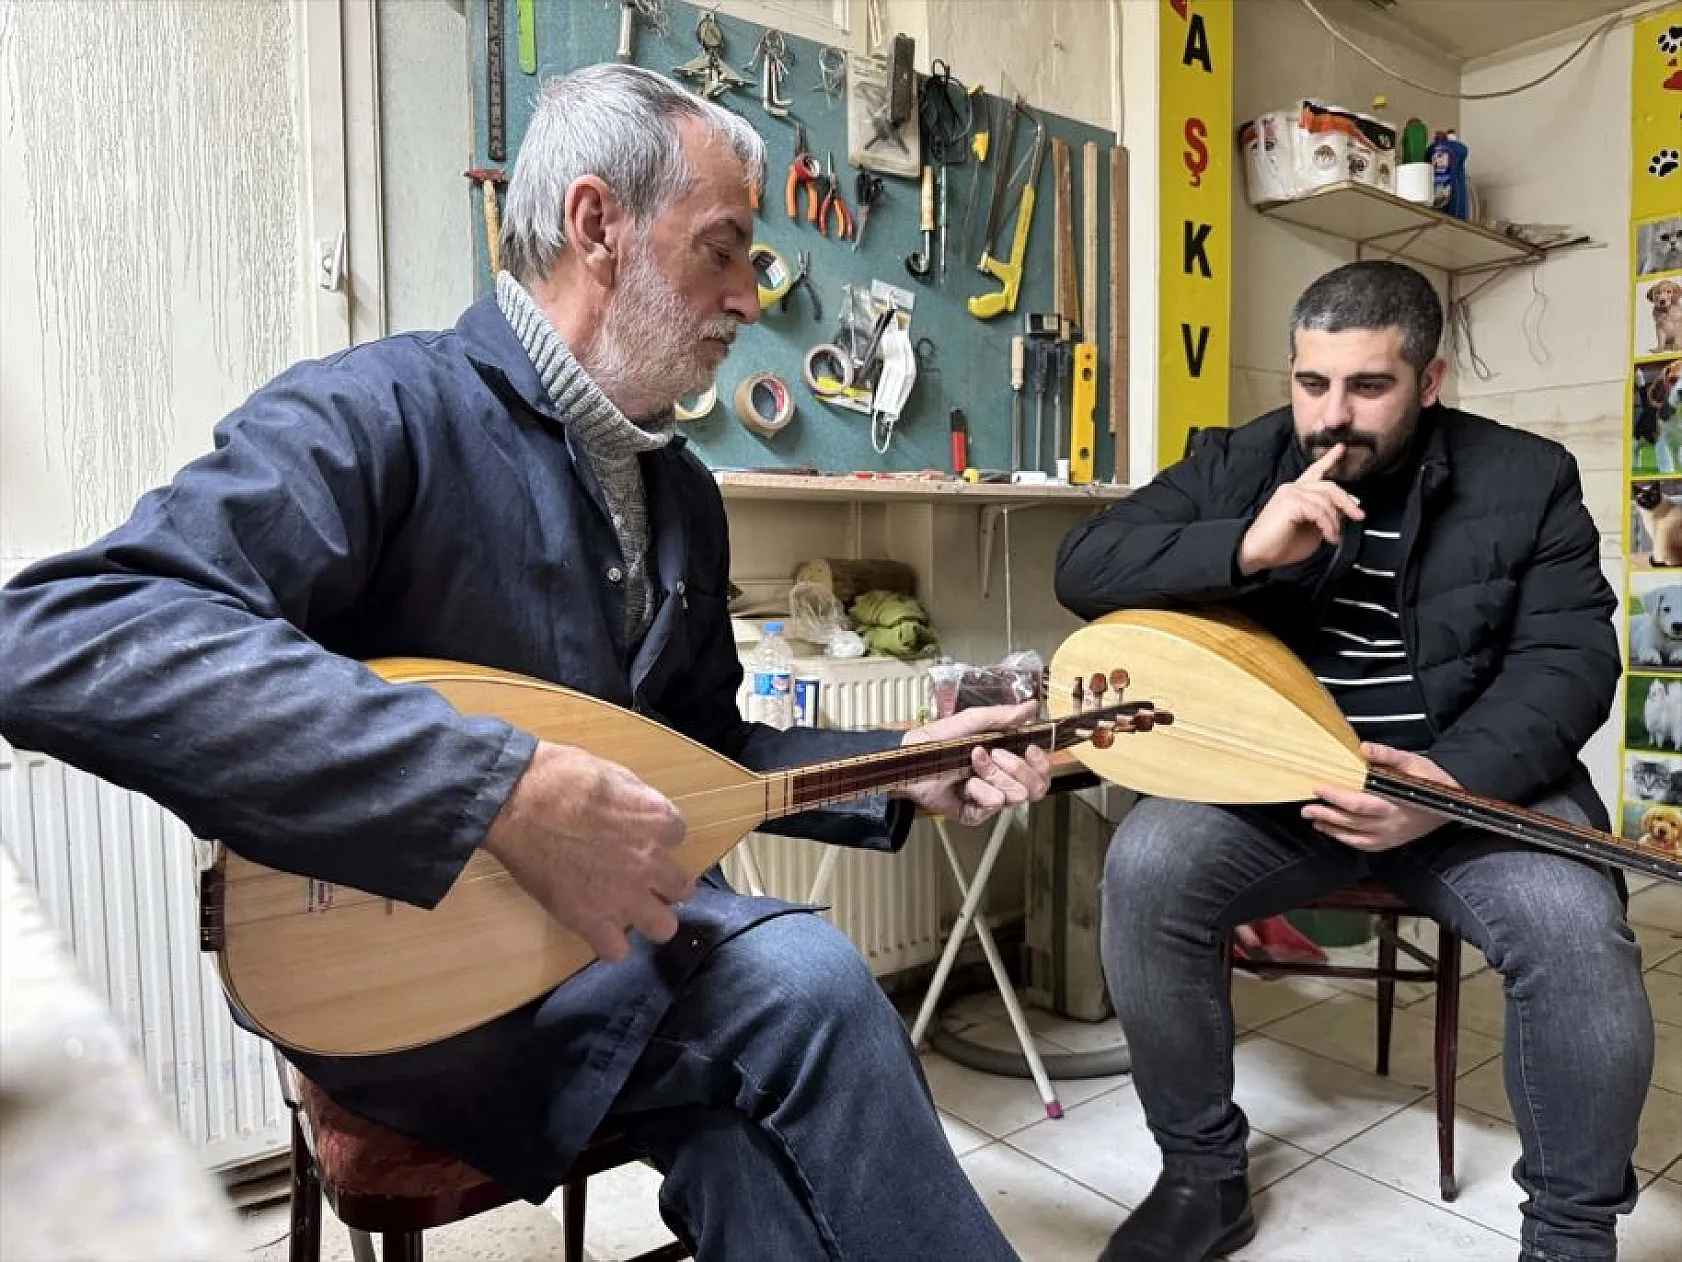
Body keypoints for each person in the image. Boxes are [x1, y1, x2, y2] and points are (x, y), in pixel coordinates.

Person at [0, 63, 1051, 1261]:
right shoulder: (380, 411)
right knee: (802, 978)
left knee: (751, 1128)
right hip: (410, 985)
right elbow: (64, 632)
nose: (748, 296)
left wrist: (898, 762)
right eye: (721, 249)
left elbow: (707, 752)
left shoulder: (682, 496)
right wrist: (494, 787)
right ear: (597, 224)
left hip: (614, 953)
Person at [1055, 259, 1653, 1262]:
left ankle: (1568, 1235)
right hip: (1280, 783)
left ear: (1429, 381)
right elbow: (1081, 566)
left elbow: (1570, 661)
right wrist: (1246, 544)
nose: (1332, 415)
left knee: (1575, 930)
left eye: (1369, 386)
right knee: (1146, 867)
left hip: (1464, 788)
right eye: (1311, 382)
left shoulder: (1528, 474)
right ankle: (1201, 1178)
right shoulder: (1241, 459)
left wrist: (1446, 785)